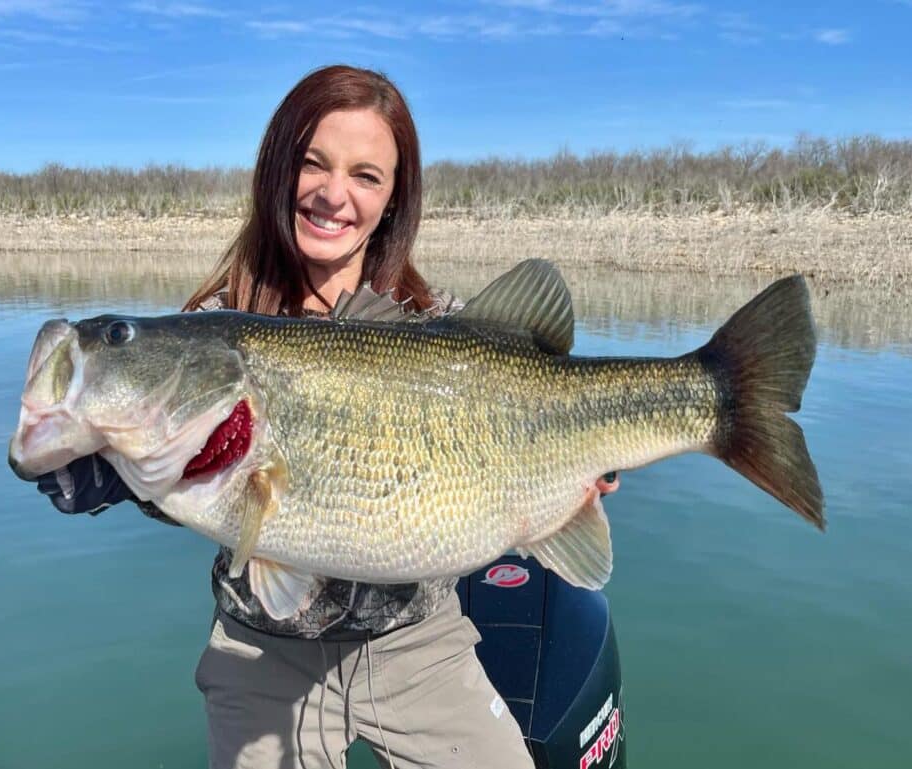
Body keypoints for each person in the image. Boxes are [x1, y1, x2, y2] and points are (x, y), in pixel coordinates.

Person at [36, 65, 620, 769]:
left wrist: (581, 463)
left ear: (393, 197)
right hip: (261, 653)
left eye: (366, 175)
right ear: (280, 169)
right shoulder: (215, 329)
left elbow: (539, 438)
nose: (333, 192)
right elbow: (207, 480)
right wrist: (109, 470)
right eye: (314, 163)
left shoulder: (444, 326)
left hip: (418, 644)